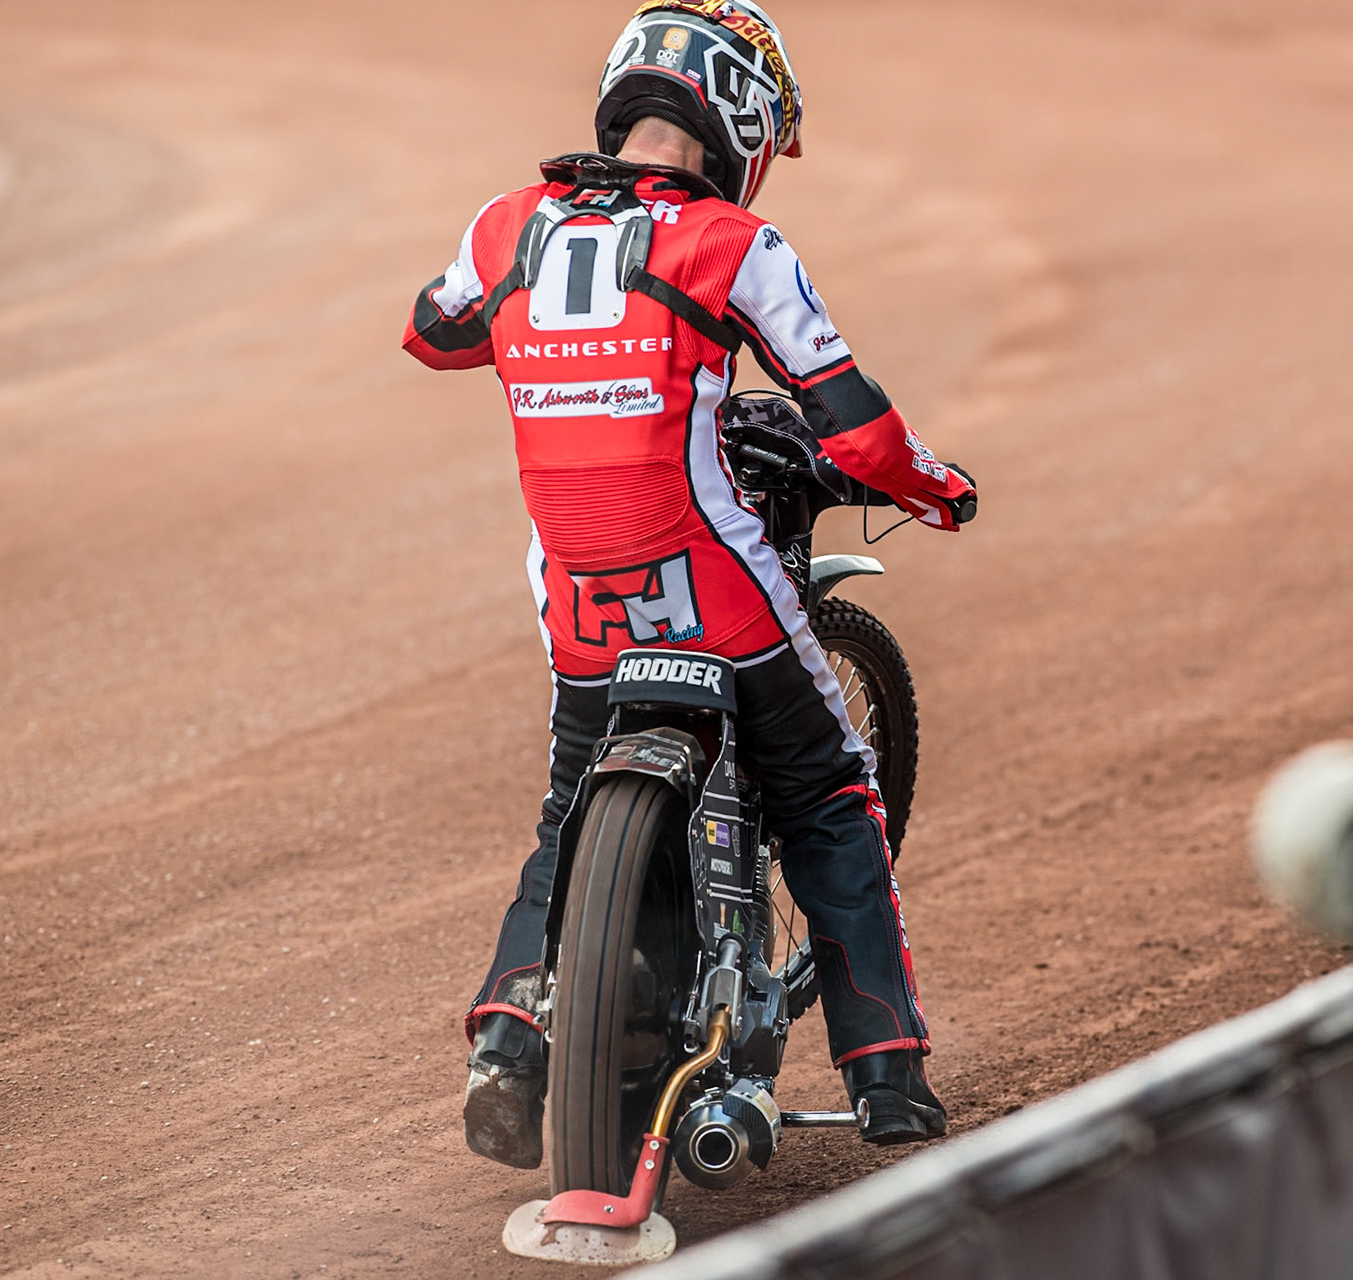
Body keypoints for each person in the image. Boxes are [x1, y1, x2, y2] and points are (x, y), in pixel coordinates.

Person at [402, 0, 976, 1171]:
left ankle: (509, 1042)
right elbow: (853, 426)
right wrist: (938, 490)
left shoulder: (510, 221)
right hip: (716, 588)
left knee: (565, 821)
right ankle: (888, 1072)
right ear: (744, 123)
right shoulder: (731, 244)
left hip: (581, 606)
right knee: (827, 794)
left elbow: (432, 330)